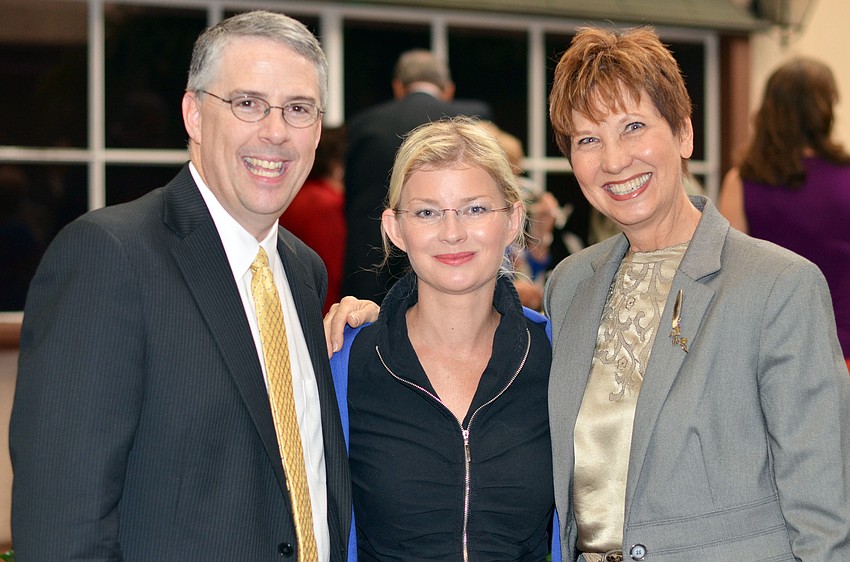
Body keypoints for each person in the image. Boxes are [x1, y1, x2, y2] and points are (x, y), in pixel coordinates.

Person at [9, 11, 375, 561]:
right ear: (194, 114)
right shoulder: (110, 257)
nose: (275, 132)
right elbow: (63, 526)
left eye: (298, 109)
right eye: (248, 103)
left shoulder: (304, 271)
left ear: (318, 131)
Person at [546, 26, 850, 561]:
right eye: (587, 139)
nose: (613, 160)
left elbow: (824, 516)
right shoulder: (570, 284)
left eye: (633, 126)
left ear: (684, 134)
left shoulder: (780, 286)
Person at [330, 117, 559, 560]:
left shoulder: (557, 357)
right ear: (395, 228)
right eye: (427, 212)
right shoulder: (346, 361)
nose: (452, 232)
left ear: (512, 220)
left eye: (475, 209)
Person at [718, 57, 850, 369]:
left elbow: (727, 274)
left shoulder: (740, 181)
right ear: (825, 110)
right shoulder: (846, 178)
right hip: (843, 352)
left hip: (770, 350)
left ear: (769, 110)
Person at [342, 49, 492, 304]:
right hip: (456, 268)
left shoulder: (363, 125)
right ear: (448, 90)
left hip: (371, 272)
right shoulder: (472, 121)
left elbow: (351, 203)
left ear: (398, 87)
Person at [280, 125, 348, 314]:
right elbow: (334, 269)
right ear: (337, 166)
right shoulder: (328, 204)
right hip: (321, 306)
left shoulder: (296, 195)